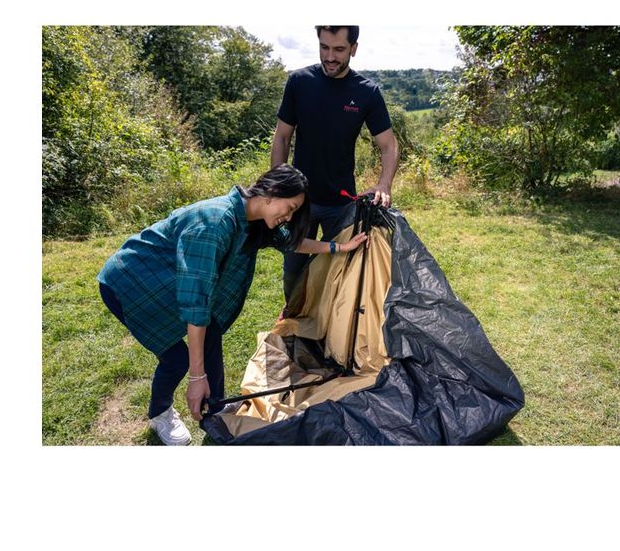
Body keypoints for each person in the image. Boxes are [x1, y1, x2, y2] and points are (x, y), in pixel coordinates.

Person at [96, 164, 368, 445]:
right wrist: (197, 377)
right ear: (271, 193)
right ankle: (160, 413)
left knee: (210, 330)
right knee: (177, 358)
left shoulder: (254, 221)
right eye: (290, 208)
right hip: (132, 280)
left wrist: (338, 247)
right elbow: (196, 301)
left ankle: (215, 405)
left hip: (166, 276)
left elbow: (293, 243)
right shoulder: (214, 223)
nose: (289, 217)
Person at [271, 25, 400, 300]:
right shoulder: (299, 82)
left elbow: (388, 145)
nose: (330, 57)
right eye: (324, 47)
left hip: (341, 204)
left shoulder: (367, 92)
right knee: (293, 271)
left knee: (338, 271)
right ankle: (293, 319)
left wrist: (384, 184)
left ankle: (329, 325)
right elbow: (282, 138)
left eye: (339, 49)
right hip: (299, 201)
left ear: (354, 48)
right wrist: (278, 187)